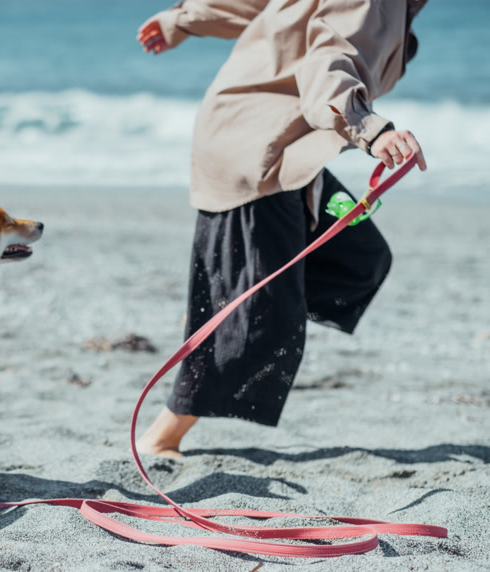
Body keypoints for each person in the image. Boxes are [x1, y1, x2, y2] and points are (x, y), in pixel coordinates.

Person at [134, 0, 428, 457]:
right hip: (258, 150)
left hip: (291, 149)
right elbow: (329, 59)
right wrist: (372, 130)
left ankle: (246, 307)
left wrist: (181, 20)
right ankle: (162, 436)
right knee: (262, 320)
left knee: (359, 257)